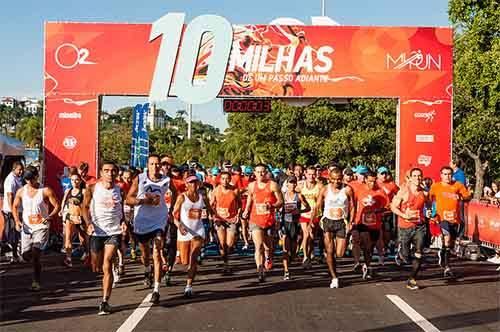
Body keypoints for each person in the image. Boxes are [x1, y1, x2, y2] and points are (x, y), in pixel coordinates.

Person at [126, 154, 177, 304]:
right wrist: (143, 201)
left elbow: (175, 192)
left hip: (158, 220)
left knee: (157, 250)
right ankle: (147, 269)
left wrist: (171, 208)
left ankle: (156, 290)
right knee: (145, 253)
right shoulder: (140, 178)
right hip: (142, 220)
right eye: (152, 164)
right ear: (147, 165)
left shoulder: (167, 180)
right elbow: (128, 199)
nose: (155, 167)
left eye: (157, 164)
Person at [82, 161, 126, 315]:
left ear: (117, 173)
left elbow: (121, 209)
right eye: (106, 170)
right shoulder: (92, 188)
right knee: (96, 267)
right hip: (96, 232)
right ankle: (110, 265)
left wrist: (123, 222)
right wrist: (88, 223)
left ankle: (105, 301)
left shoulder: (120, 190)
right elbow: (84, 207)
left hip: (113, 232)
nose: (110, 173)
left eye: (113, 170)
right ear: (101, 173)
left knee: (106, 264)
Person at [12, 166, 60, 291]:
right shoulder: (21, 191)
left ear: (36, 177)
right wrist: (17, 221)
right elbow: (15, 207)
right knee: (26, 256)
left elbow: (57, 206)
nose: (29, 182)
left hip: (41, 226)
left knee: (36, 252)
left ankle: (36, 281)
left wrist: (49, 216)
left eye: (31, 180)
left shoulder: (45, 190)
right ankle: (29, 256)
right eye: (26, 180)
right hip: (27, 227)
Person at [172, 173, 213, 297]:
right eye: (191, 182)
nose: (193, 184)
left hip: (198, 231)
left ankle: (188, 286)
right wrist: (179, 225)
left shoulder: (203, 197)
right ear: (186, 184)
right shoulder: (182, 197)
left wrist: (216, 218)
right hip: (185, 231)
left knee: (193, 259)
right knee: (184, 262)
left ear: (199, 184)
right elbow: (174, 214)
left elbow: (211, 210)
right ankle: (178, 257)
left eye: (195, 182)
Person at [242, 163, 283, 282]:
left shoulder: (273, 185)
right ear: (254, 173)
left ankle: (268, 258)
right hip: (255, 220)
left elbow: (281, 201)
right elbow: (250, 198)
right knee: (258, 246)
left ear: (266, 173)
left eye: (263, 171)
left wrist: (272, 205)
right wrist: (246, 211)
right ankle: (260, 270)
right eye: (258, 172)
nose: (260, 174)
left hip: (269, 221)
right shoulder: (251, 186)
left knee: (268, 247)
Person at [315, 168, 355, 288]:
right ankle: (334, 277)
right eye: (333, 179)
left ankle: (333, 264)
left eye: (338, 179)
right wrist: (314, 220)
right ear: (329, 179)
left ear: (341, 178)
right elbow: (318, 206)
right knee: (329, 251)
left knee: (340, 254)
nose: (336, 182)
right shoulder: (325, 189)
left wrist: (351, 222)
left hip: (341, 222)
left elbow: (352, 207)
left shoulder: (347, 189)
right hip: (328, 221)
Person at [429, 166, 471, 278]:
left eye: (449, 174)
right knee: (447, 239)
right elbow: (428, 199)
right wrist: (430, 212)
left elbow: (467, 196)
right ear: (441, 175)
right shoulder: (436, 187)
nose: (447, 176)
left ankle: (443, 253)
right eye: (445, 174)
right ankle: (447, 268)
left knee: (450, 244)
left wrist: (462, 197)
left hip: (455, 219)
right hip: (442, 218)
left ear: (452, 175)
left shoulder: (458, 185)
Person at [391, 168, 429, 290]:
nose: (417, 178)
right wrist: (403, 215)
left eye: (419, 176)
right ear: (410, 178)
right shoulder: (403, 191)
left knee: (419, 253)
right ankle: (401, 253)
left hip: (419, 226)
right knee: (406, 257)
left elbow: (428, 205)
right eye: (415, 176)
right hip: (405, 227)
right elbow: (393, 207)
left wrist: (428, 212)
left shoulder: (424, 193)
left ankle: (412, 279)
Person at [352, 170, 389, 280]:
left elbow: (387, 207)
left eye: (374, 181)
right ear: (365, 180)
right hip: (360, 221)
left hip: (374, 224)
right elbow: (352, 204)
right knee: (360, 240)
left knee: (369, 247)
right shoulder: (358, 190)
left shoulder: (380, 192)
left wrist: (378, 210)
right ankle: (358, 262)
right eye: (369, 181)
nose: (372, 184)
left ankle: (367, 266)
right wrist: (351, 220)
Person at [280, 176, 310, 280]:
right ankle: (286, 271)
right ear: (287, 184)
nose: (292, 185)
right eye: (290, 183)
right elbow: (277, 207)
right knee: (285, 249)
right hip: (285, 224)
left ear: (296, 184)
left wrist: (299, 211)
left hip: (295, 224)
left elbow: (308, 208)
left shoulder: (299, 196)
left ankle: (292, 258)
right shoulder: (282, 196)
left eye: (294, 183)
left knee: (292, 252)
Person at [211, 171, 241, 273]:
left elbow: (240, 204)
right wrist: (213, 216)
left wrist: (238, 215)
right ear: (220, 180)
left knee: (229, 244)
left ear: (230, 179)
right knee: (222, 243)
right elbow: (211, 204)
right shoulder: (215, 191)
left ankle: (225, 259)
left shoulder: (235, 190)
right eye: (223, 178)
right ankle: (226, 264)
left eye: (227, 179)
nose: (225, 181)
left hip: (231, 219)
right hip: (219, 220)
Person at [297, 166, 323, 269]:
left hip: (316, 213)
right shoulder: (300, 185)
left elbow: (321, 202)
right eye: (309, 174)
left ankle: (310, 252)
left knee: (312, 237)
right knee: (306, 234)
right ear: (305, 174)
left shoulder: (320, 186)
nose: (311, 176)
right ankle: (305, 257)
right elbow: (291, 193)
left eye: (313, 174)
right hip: (304, 214)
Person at [60, 172, 87, 268]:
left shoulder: (83, 191)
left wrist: (84, 216)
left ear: (80, 181)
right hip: (70, 216)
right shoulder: (68, 190)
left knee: (83, 239)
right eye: (72, 180)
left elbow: (87, 205)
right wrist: (61, 210)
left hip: (80, 218)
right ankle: (68, 259)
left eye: (76, 180)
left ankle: (87, 254)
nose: (74, 182)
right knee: (68, 237)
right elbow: (64, 200)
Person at [2, 161, 24, 263]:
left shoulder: (18, 178)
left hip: (17, 209)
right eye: (19, 169)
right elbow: (9, 196)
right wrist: (12, 211)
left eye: (22, 169)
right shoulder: (10, 180)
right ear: (13, 169)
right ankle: (13, 255)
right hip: (10, 211)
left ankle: (13, 253)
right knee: (13, 233)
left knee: (14, 233)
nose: (21, 171)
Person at [376, 166, 399, 261]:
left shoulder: (392, 185)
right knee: (377, 232)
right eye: (382, 173)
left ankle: (385, 247)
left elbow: (400, 194)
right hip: (376, 212)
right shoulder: (374, 183)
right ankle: (379, 250)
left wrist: (394, 203)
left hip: (387, 212)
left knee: (387, 232)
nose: (384, 175)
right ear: (378, 175)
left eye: (385, 173)